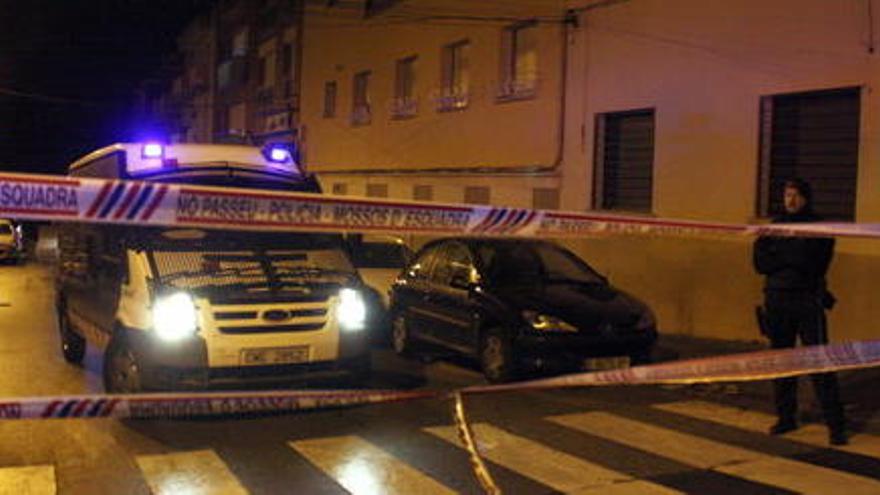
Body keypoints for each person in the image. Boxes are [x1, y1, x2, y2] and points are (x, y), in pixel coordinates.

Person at [753, 178, 846, 445]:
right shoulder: (774, 227)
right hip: (777, 300)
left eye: (795, 195)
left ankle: (835, 424)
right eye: (787, 195)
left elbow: (814, 264)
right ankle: (786, 417)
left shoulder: (819, 227)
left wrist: (782, 259)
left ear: (806, 197)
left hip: (807, 300)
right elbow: (760, 263)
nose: (790, 200)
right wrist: (791, 258)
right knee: (783, 361)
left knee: (819, 360)